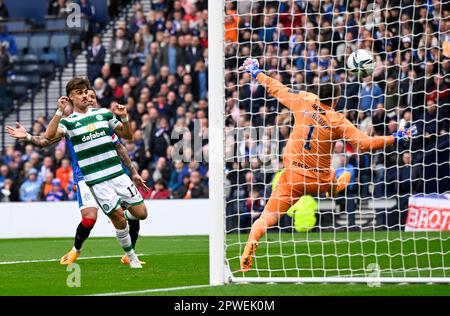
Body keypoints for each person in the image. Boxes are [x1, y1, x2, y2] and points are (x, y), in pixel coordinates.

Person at [238, 58, 417, 272]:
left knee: (267, 218)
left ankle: (250, 246)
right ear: (337, 98)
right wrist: (396, 137)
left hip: (293, 176)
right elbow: (365, 144)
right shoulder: (337, 120)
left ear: (317, 92)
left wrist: (256, 72)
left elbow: (276, 88)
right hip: (320, 181)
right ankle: (337, 186)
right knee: (337, 177)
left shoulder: (303, 100)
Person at [7, 84, 148, 268]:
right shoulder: (69, 123)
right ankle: (77, 249)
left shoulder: (103, 117)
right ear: (72, 97)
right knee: (90, 219)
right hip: (86, 176)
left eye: (90, 95)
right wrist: (28, 137)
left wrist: (134, 172)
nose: (87, 98)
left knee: (137, 214)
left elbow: (121, 145)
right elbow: (45, 140)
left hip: (114, 173)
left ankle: (123, 236)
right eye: (82, 94)